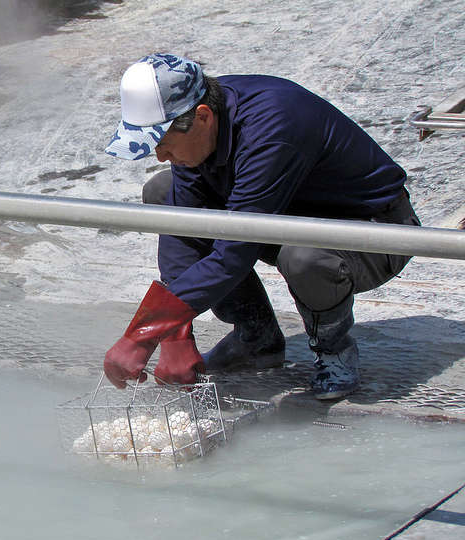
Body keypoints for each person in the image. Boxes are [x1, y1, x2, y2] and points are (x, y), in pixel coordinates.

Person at [102, 53, 421, 400]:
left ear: (203, 117)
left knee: (304, 256)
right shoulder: (194, 113)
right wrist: (176, 338)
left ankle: (334, 351)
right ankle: (257, 338)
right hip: (283, 217)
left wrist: (141, 335)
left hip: (374, 231)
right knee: (163, 191)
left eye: (161, 143)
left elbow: (234, 252)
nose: (160, 156)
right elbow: (183, 232)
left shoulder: (273, 128)